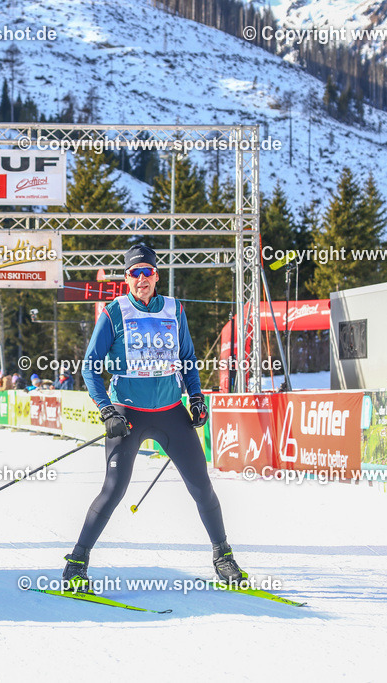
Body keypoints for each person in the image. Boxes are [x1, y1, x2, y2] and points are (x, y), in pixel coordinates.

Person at [63, 243, 245, 592]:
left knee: (202, 487)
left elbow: (188, 358)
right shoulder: (114, 312)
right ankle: (76, 562)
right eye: (135, 273)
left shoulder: (175, 310)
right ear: (127, 278)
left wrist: (196, 397)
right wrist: (107, 409)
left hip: (170, 413)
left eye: (147, 272)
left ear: (156, 276)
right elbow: (90, 367)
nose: (141, 278)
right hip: (128, 414)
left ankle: (223, 555)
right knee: (113, 490)